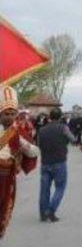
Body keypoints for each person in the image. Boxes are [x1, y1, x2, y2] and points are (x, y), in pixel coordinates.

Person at [0, 86, 39, 239]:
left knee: (3, 207)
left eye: (12, 114)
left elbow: (32, 151)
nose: (10, 117)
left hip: (8, 175)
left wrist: (27, 147)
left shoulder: (15, 133)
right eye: (6, 114)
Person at [37, 106, 77, 222]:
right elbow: (73, 139)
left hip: (45, 162)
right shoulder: (63, 128)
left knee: (44, 189)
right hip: (59, 161)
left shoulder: (42, 129)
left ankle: (43, 213)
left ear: (49, 117)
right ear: (60, 117)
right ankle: (51, 210)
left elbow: (39, 144)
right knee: (60, 187)